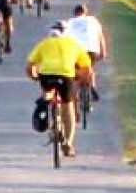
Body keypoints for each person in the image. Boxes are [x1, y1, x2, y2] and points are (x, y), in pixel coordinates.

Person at [26, 20, 92, 158]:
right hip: (66, 76)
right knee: (68, 108)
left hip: (47, 75)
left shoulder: (44, 43)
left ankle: (45, 104)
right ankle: (68, 142)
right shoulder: (73, 44)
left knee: (47, 93)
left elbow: (30, 64)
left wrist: (34, 77)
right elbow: (86, 67)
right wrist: (81, 80)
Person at [65, 3, 108, 101]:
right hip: (91, 49)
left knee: (75, 74)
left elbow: (65, 40)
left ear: (75, 13)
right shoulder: (93, 20)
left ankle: (74, 96)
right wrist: (103, 52)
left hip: (75, 50)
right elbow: (100, 36)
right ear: (85, 13)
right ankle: (92, 86)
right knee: (89, 67)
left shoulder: (70, 22)